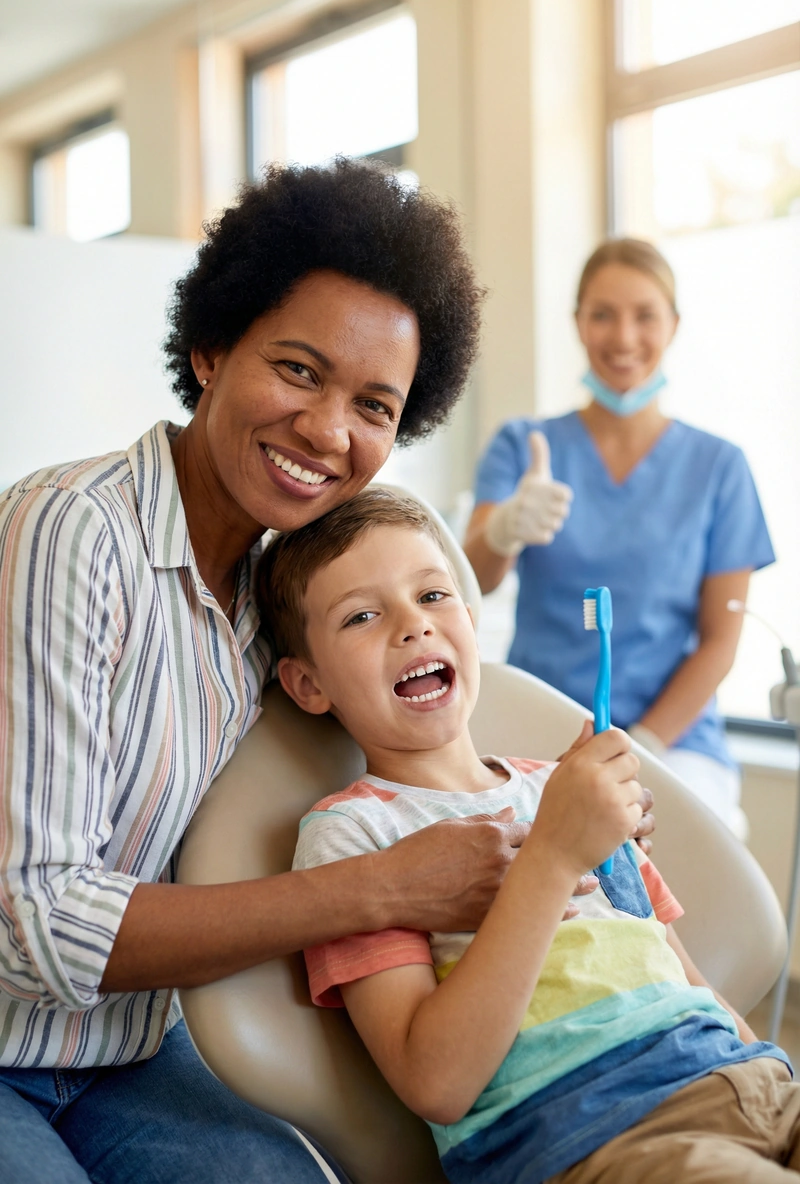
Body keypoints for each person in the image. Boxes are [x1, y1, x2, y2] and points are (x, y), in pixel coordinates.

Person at [0, 159, 570, 1184]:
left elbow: (431, 659)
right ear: (211, 348)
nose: (327, 431)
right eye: (300, 370)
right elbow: (35, 921)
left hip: (130, 1046)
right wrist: (381, 886)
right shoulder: (71, 530)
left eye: (374, 406)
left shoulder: (287, 605)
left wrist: (555, 826)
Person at [255, 487, 796, 1184]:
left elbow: (679, 973)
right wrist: (553, 855)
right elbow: (436, 1082)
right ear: (307, 684)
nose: (414, 626)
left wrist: (770, 1070)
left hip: (749, 1081)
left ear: (470, 621)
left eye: (432, 595)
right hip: (601, 1135)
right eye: (362, 615)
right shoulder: (352, 836)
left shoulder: (563, 788)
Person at [464, 238, 775, 835]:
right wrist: (503, 528)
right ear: (578, 322)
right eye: (603, 314)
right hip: (536, 729)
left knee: (673, 857)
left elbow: (719, 642)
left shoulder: (719, 467)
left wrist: (645, 749)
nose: (624, 336)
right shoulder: (525, 446)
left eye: (645, 315)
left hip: (673, 742)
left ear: (674, 324)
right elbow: (469, 582)